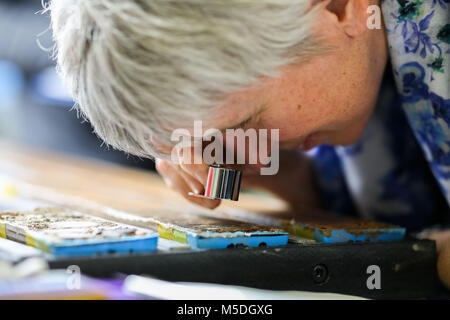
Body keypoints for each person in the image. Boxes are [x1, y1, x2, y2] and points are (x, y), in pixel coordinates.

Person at [47, 0, 450, 288]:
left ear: (338, 9)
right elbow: (380, 204)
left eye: (243, 121)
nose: (240, 143)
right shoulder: (346, 65)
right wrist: (273, 173)